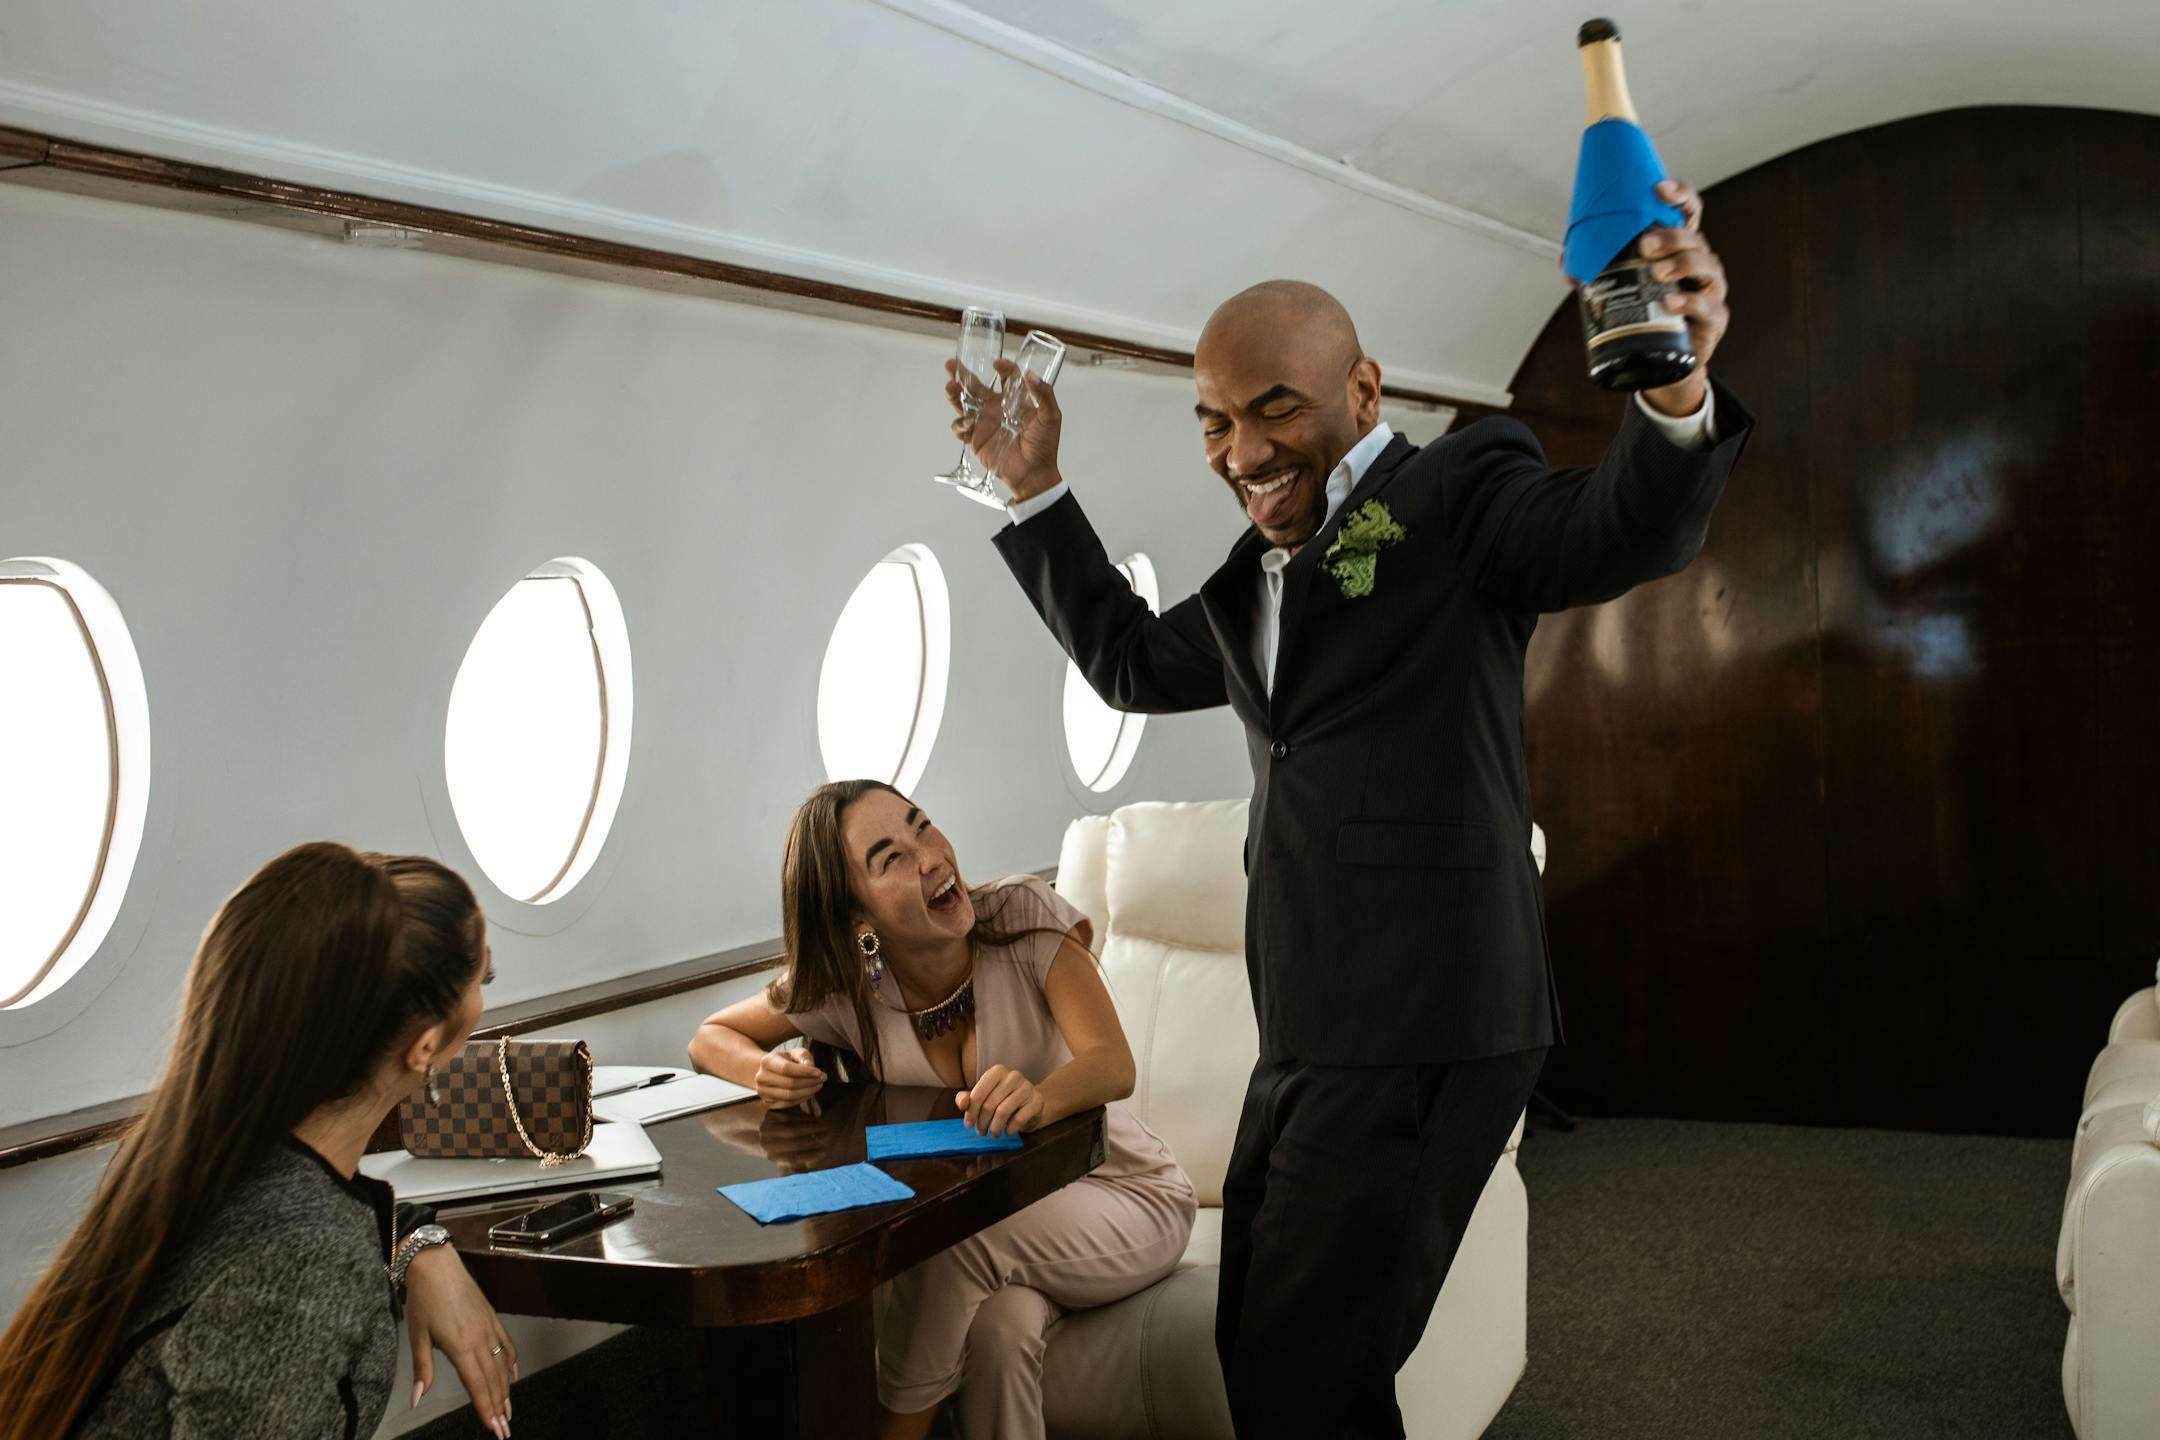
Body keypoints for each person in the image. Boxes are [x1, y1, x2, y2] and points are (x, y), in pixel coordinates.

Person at [957, 182, 1751, 1437]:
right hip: (1312, 1026)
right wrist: (1036, 486)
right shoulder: (1252, 578)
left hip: (1429, 1014)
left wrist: (1673, 394)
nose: (1243, 451)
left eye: (1276, 408)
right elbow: (1122, 662)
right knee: (1274, 1353)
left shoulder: (1462, 493)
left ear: (1365, 393)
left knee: (1302, 1364)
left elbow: (1620, 527)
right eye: (1214, 423)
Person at [690, 780, 1196, 1440]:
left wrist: (1040, 1099)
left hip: (1126, 1194)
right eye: (889, 857)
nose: (929, 855)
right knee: (998, 1330)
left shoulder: (1022, 913)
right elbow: (709, 1038)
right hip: (1013, 1229)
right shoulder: (849, 989)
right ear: (856, 921)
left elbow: (1112, 1064)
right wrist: (765, 1071)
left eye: (921, 825)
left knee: (955, 1233)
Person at [0, 843, 520, 1440]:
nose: (485, 989)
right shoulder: (303, 1270)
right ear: (425, 1046)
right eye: (483, 977)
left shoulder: (192, 1156)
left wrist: (417, 1243)